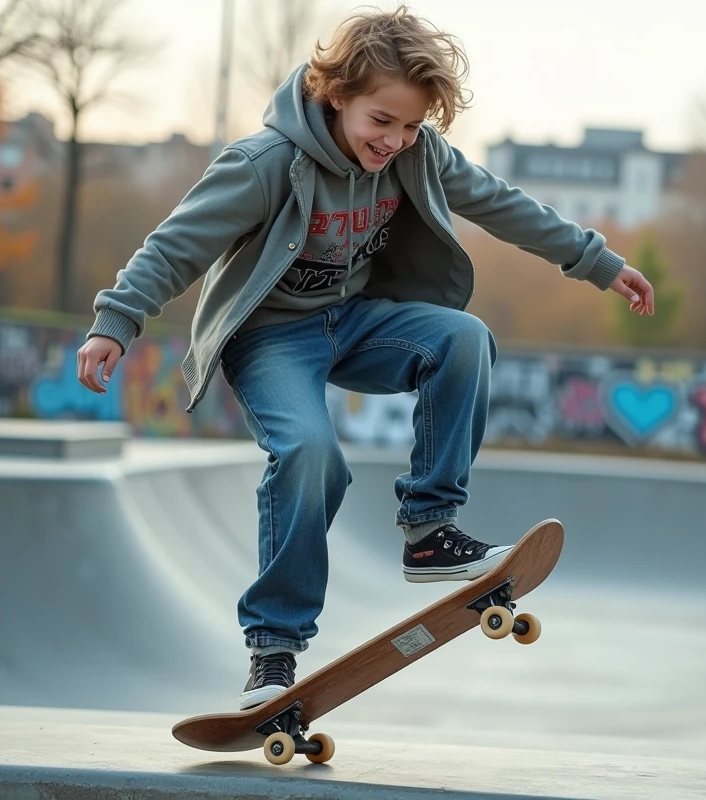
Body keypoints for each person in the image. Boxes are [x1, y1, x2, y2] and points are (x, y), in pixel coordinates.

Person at [77, 5, 654, 710]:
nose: (395, 140)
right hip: (270, 340)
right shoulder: (265, 163)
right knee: (312, 457)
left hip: (353, 323)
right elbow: (177, 244)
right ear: (337, 92)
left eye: (412, 126)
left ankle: (429, 529)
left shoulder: (418, 155)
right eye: (382, 120)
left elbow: (500, 203)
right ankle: (273, 648)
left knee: (463, 337)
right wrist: (117, 320)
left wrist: (595, 261)